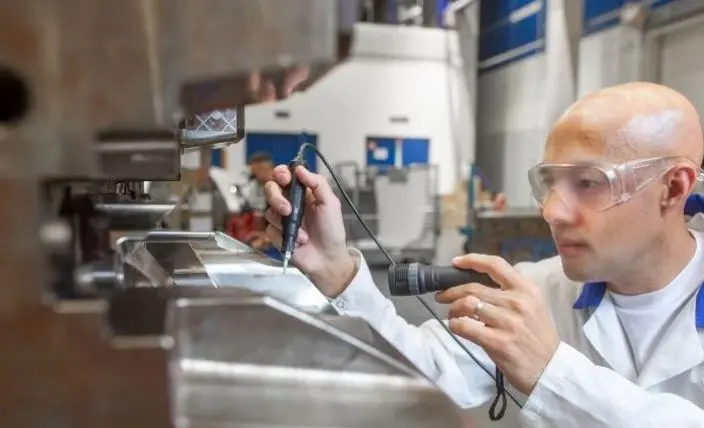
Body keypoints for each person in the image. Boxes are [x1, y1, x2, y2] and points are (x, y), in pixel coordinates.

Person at [262, 82, 704, 427]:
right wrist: (337, 271)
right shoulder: (539, 289)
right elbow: (422, 372)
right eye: (549, 185)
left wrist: (552, 372)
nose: (552, 212)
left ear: (673, 188)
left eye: (587, 183)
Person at [242, 152, 275, 250]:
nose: (254, 175)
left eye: (256, 172)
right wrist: (260, 234)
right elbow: (259, 214)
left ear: (264, 168)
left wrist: (267, 238)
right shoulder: (257, 186)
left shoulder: (279, 188)